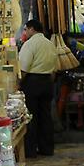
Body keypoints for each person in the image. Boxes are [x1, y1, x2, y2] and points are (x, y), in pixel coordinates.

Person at [18, 19, 58, 157]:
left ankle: (30, 151)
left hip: (33, 82)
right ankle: (47, 149)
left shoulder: (30, 44)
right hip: (47, 82)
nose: (24, 32)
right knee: (45, 116)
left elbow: (23, 67)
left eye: (25, 29)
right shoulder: (50, 44)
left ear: (32, 29)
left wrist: (19, 83)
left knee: (30, 117)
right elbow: (55, 67)